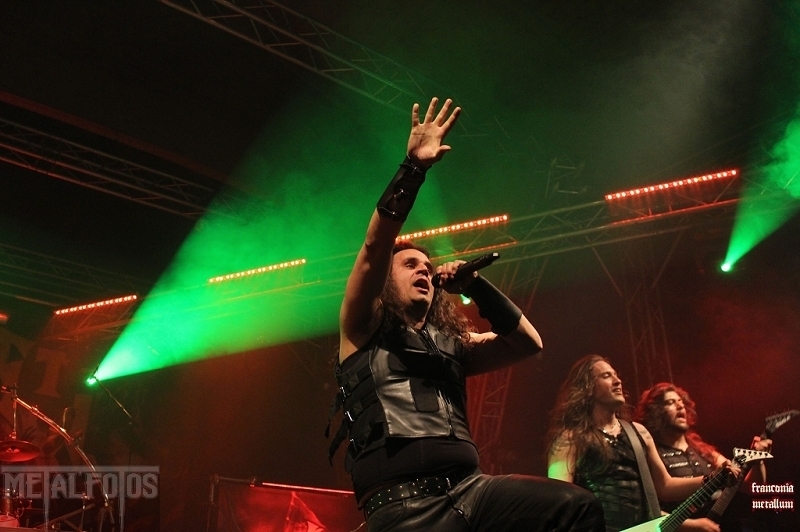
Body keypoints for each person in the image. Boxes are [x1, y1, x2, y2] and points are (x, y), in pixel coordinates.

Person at [327, 98, 604, 532]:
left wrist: (475, 285)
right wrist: (413, 168)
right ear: (385, 280)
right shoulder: (363, 326)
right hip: (403, 508)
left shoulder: (450, 345)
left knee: (575, 506)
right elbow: (374, 247)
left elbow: (528, 343)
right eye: (410, 265)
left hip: (472, 492)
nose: (423, 270)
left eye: (427, 266)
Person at [546, 355, 734, 532]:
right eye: (606, 376)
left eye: (616, 375)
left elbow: (665, 486)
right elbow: (559, 500)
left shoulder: (639, 432)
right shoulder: (570, 439)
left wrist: (712, 478)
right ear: (587, 388)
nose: (618, 381)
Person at [635, 383, 771, 517]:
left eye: (681, 401)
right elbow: (656, 499)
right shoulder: (653, 453)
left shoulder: (703, 450)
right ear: (655, 412)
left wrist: (757, 462)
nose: (680, 406)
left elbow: (749, 487)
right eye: (670, 402)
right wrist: (690, 526)